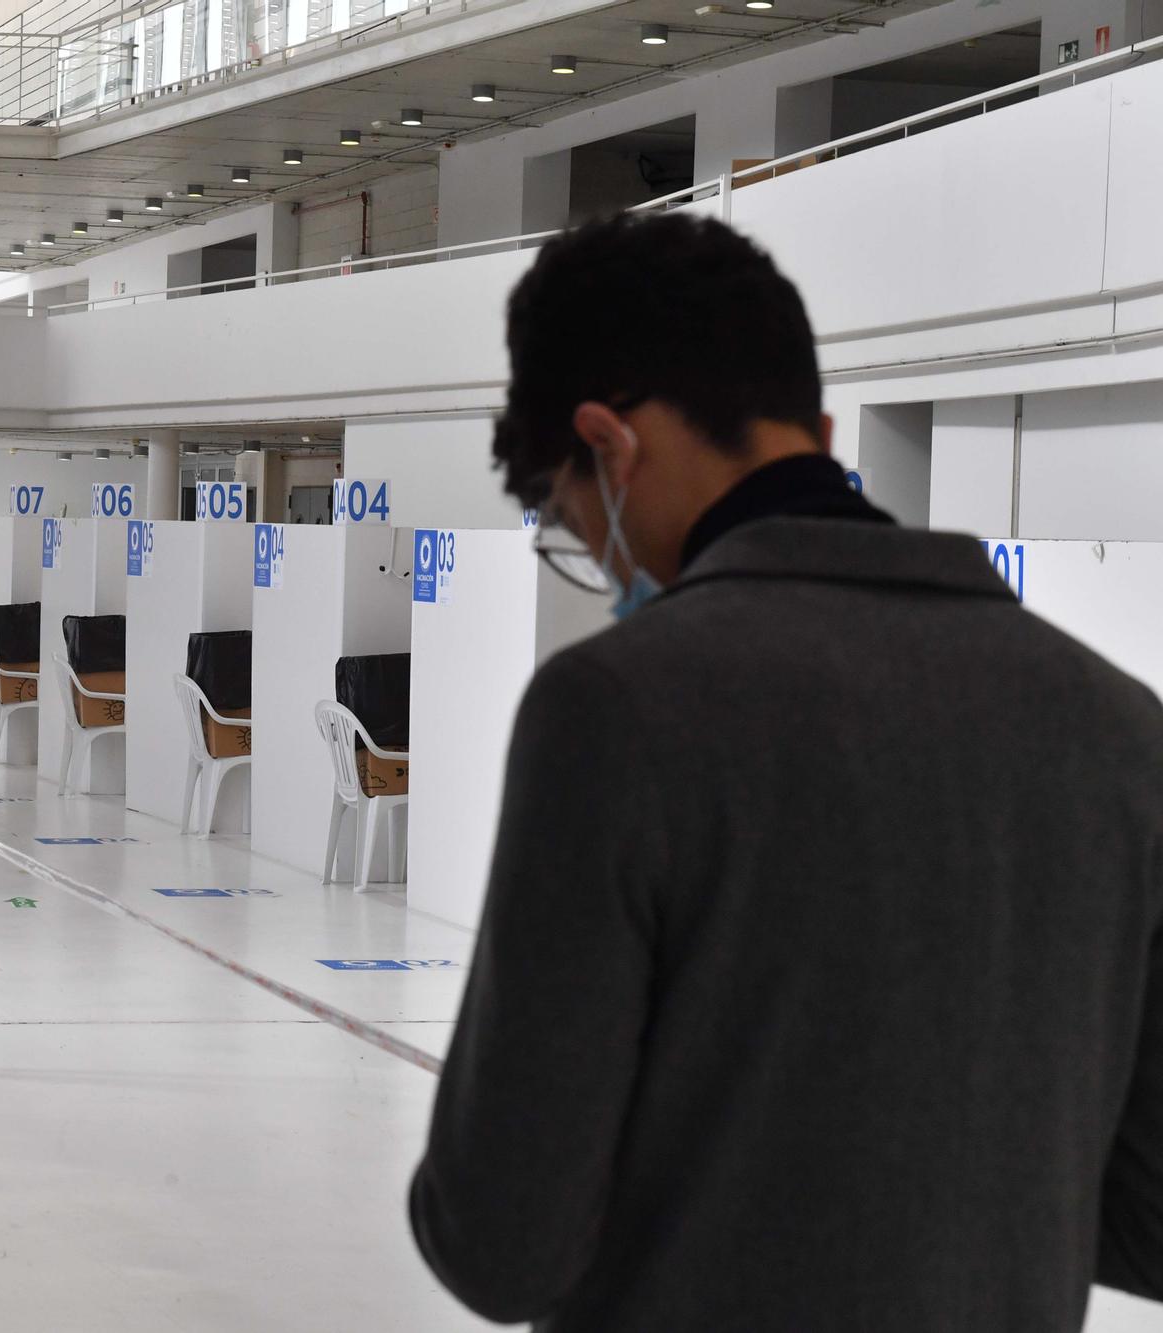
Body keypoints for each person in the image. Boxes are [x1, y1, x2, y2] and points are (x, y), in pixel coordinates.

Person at [407, 211, 1163, 1331]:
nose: (607, 564)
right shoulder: (1117, 728)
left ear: (607, 446)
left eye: (575, 524)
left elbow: (502, 1240)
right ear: (810, 427)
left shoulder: (618, 709)